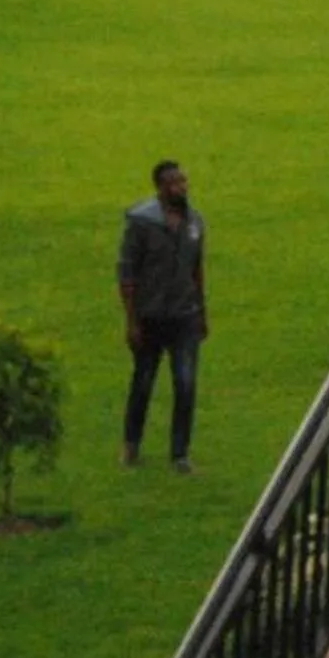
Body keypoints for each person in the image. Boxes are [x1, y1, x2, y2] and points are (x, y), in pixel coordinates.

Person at [117, 160, 207, 471]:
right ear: (160, 188)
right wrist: (131, 321)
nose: (181, 187)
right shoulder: (142, 224)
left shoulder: (195, 223)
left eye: (183, 181)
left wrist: (202, 313)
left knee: (185, 383)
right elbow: (127, 274)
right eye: (173, 183)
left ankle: (180, 453)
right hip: (150, 317)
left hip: (184, 316)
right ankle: (131, 443)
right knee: (143, 382)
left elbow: (197, 271)